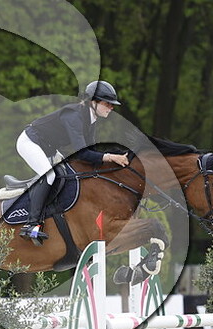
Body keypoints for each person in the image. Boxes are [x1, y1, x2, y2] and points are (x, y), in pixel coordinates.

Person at [15, 80, 130, 244]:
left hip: (48, 148)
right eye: (107, 103)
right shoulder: (74, 116)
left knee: (69, 174)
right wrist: (110, 157)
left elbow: (91, 152)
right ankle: (31, 225)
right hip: (30, 142)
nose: (111, 107)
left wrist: (112, 162)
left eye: (112, 105)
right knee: (50, 175)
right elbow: (81, 153)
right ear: (93, 101)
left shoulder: (90, 119)